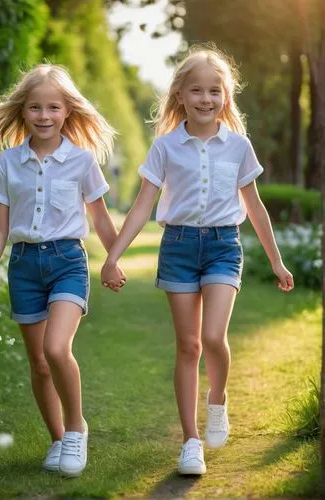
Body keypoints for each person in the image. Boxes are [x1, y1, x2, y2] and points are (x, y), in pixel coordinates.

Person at [101, 45, 294, 476]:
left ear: (226, 97)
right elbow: (140, 207)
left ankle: (218, 399)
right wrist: (114, 257)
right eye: (197, 91)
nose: (206, 99)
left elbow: (256, 209)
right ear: (180, 96)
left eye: (215, 91)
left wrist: (278, 262)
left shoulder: (238, 146)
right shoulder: (166, 148)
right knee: (187, 346)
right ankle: (190, 442)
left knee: (212, 338)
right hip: (179, 249)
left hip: (225, 245)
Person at [0, 64, 126, 477]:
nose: (43, 115)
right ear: (22, 111)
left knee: (57, 349)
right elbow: (0, 228)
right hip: (24, 266)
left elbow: (102, 219)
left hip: (68, 262)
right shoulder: (7, 164)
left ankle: (76, 430)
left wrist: (112, 259)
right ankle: (57, 440)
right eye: (35, 107)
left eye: (53, 107)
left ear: (67, 111)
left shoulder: (82, 161)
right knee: (38, 362)